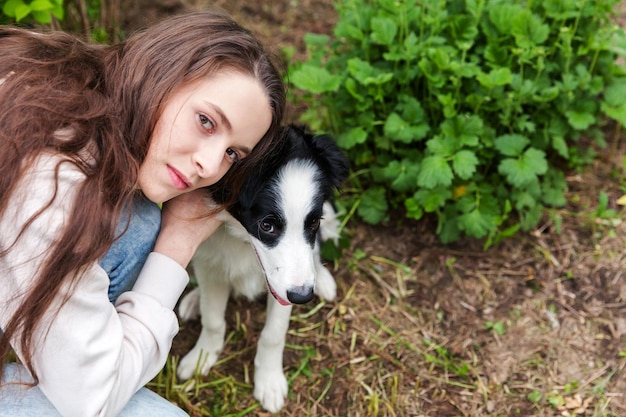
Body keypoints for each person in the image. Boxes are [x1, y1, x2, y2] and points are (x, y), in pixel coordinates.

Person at [0, 9, 285, 417]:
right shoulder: (54, 179)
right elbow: (92, 403)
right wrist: (178, 245)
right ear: (163, 72)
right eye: (205, 121)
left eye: (231, 153)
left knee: (136, 223)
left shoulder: (68, 94)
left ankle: (60, 353)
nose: (209, 164)